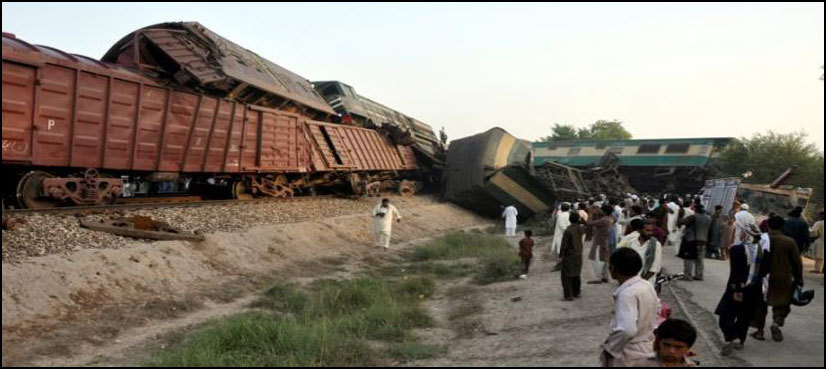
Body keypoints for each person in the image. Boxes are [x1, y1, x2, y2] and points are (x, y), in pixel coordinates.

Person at [600, 248, 659, 367]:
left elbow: (627, 330)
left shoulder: (627, 294)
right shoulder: (646, 285)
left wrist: (610, 348)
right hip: (647, 347)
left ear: (613, 269)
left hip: (629, 354)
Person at [752, 216, 804, 342]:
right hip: (783, 277)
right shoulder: (789, 242)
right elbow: (797, 263)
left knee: (760, 305)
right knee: (782, 303)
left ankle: (759, 332)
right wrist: (799, 279)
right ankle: (776, 323)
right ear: (782, 227)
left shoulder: (762, 239)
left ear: (769, 225)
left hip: (763, 278)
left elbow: (753, 259)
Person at [715, 224, 764, 356]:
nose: (740, 234)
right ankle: (740, 341)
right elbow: (763, 272)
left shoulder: (736, 250)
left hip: (736, 289)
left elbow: (735, 272)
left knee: (725, 315)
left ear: (747, 235)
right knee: (744, 317)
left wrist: (737, 290)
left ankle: (733, 337)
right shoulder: (762, 251)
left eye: (742, 232)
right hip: (754, 290)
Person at [634, 319, 698, 367]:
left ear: (688, 348)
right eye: (666, 345)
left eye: (678, 347)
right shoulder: (643, 364)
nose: (671, 351)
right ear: (658, 342)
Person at [618, 219, 663, 285]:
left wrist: (640, 282)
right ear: (639, 230)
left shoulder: (656, 245)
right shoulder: (632, 243)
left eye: (651, 231)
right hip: (630, 280)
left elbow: (654, 268)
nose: (650, 233)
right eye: (647, 230)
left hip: (646, 282)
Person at [678, 205, 712, 281]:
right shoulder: (709, 218)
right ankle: (699, 275)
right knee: (700, 259)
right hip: (703, 241)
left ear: (696, 210)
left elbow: (682, 222)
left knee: (689, 258)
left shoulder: (693, 217)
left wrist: (680, 215)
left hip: (692, 241)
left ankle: (687, 275)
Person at [560, 212, 585, 301]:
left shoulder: (568, 231)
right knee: (576, 274)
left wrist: (560, 254)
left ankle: (568, 295)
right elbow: (585, 225)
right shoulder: (580, 229)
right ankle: (576, 293)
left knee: (567, 276)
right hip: (578, 254)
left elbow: (564, 245)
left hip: (569, 255)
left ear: (569, 219)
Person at [587, 204, 615, 284]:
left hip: (599, 241)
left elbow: (589, 223)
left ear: (605, 211)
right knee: (605, 259)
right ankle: (605, 277)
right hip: (605, 240)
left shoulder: (604, 220)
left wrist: (591, 213)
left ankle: (598, 278)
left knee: (597, 260)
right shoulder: (611, 218)